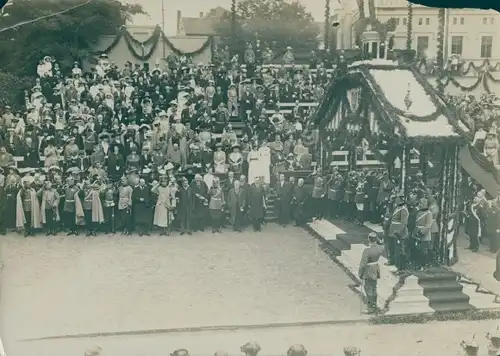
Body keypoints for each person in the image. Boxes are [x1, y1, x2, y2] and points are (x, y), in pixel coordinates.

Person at [358, 232, 383, 314]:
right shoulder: (379, 248)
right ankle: (374, 305)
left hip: (368, 270)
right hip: (375, 268)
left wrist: (360, 274)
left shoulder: (367, 250)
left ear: (369, 239)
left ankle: (370, 308)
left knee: (368, 289)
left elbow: (363, 264)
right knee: (374, 288)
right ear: (376, 239)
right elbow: (382, 244)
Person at [387, 194, 409, 271]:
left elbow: (404, 223)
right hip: (393, 231)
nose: (395, 200)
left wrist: (398, 232)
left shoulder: (403, 210)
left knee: (400, 250)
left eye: (396, 199)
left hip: (398, 233)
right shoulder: (397, 207)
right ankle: (393, 262)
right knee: (392, 247)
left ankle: (400, 267)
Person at [412, 197, 433, 269]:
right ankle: (418, 264)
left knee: (423, 251)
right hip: (417, 234)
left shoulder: (429, 214)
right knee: (417, 250)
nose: (420, 205)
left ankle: (424, 265)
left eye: (421, 203)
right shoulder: (419, 212)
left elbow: (428, 225)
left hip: (424, 235)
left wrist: (421, 233)